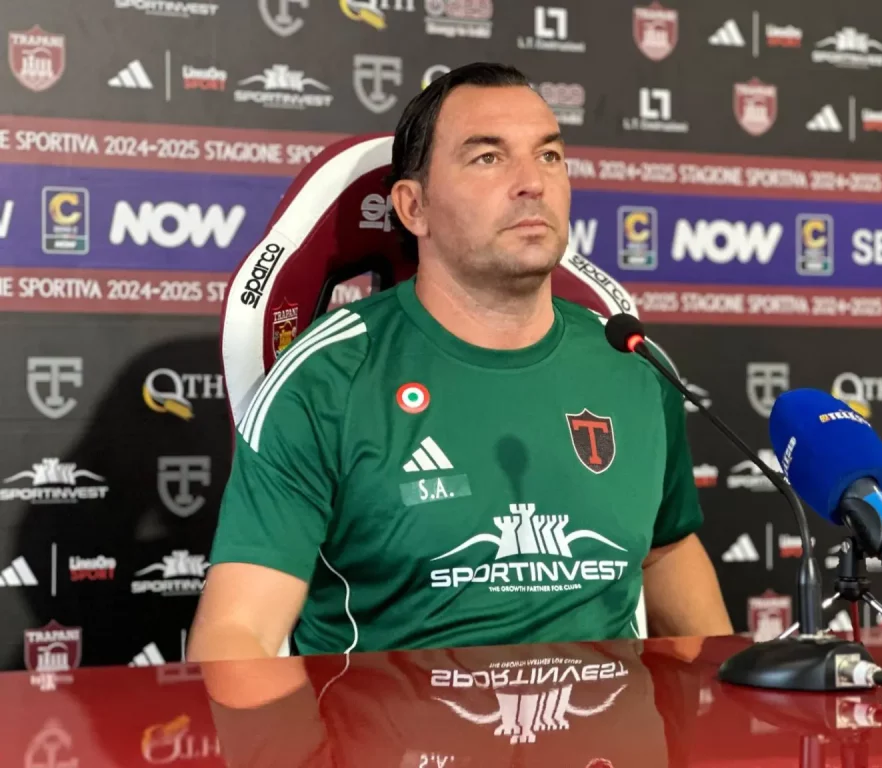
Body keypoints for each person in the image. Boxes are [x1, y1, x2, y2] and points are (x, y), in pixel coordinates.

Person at [187, 62, 733, 662]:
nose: (532, 183)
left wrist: (725, 690)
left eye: (549, 155)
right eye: (488, 157)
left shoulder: (632, 363)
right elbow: (236, 635)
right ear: (413, 207)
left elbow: (667, 551)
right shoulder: (324, 380)